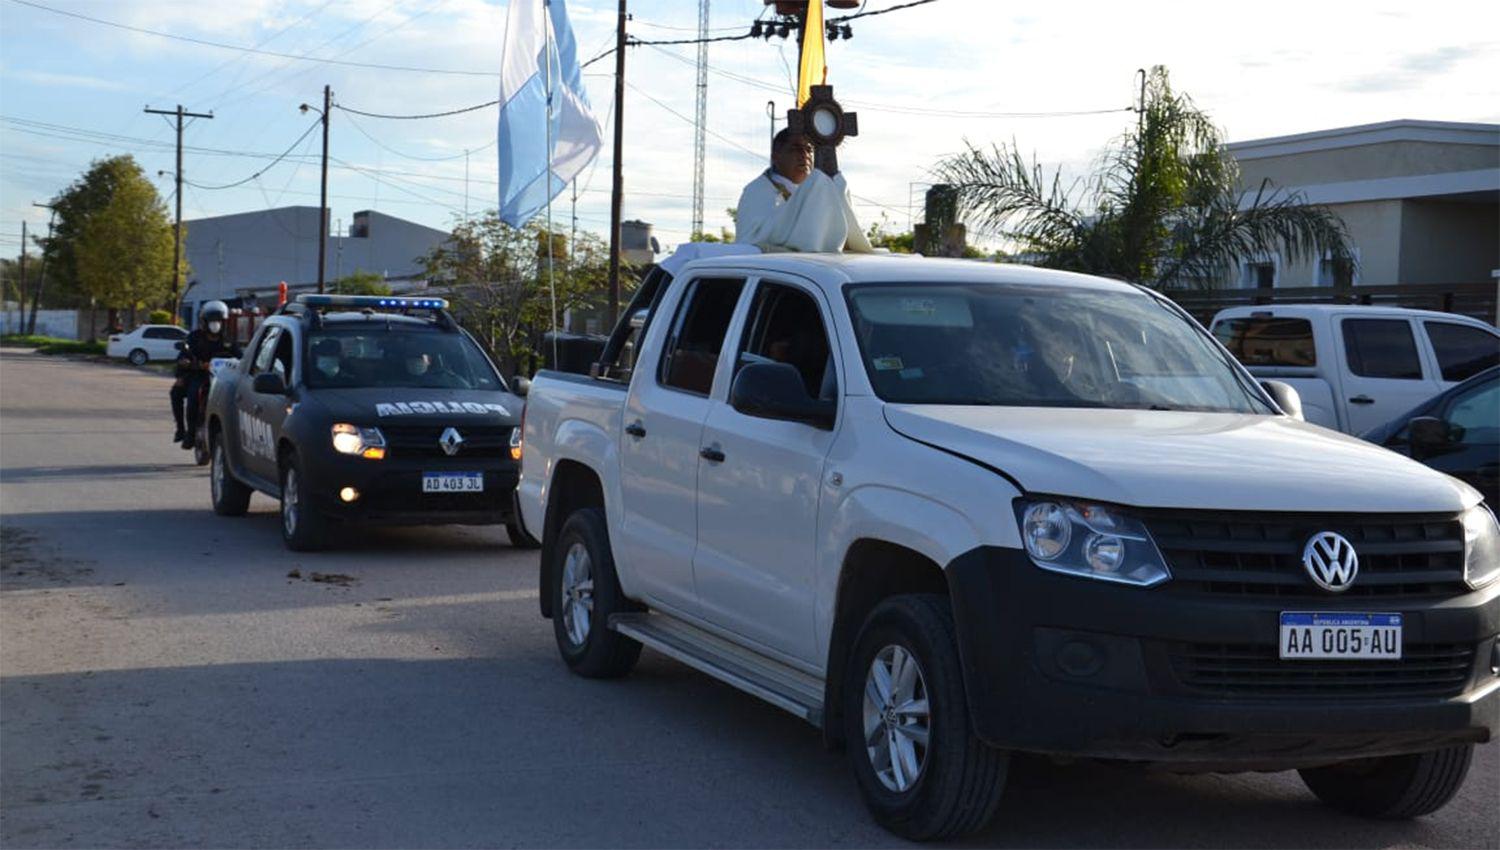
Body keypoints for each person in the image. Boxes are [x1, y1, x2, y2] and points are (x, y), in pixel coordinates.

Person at [734, 129, 872, 254]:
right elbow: (754, 238)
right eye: (796, 149)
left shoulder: (819, 192)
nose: (804, 155)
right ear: (775, 156)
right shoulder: (756, 192)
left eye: (809, 150)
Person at [176, 301, 240, 449]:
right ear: (204, 322)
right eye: (211, 321)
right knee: (192, 396)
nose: (215, 325)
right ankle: (189, 433)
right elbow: (183, 356)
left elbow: (241, 357)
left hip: (222, 379)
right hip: (199, 376)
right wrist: (189, 363)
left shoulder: (228, 340)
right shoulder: (194, 337)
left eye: (218, 321)